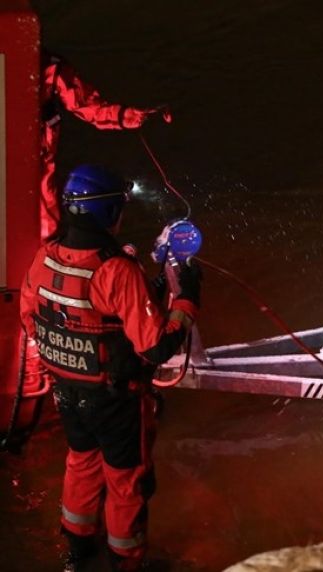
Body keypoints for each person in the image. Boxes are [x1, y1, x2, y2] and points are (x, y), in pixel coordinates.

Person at [18, 165, 201, 571]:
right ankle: (126, 559)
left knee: (81, 462)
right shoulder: (117, 269)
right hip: (116, 398)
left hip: (68, 392)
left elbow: (31, 317)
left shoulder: (46, 256)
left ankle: (77, 549)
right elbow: (156, 347)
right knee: (126, 479)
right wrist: (186, 299)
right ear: (110, 213)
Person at [40, 51, 171, 240]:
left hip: (38, 165)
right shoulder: (45, 64)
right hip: (33, 164)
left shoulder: (47, 65)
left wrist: (127, 115)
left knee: (44, 226)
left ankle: (46, 253)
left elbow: (85, 104)